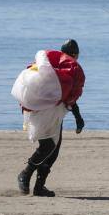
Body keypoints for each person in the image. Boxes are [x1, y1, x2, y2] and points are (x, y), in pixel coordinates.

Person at [16, 39, 86, 197]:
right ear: (75, 54)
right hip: (50, 114)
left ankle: (39, 187)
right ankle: (25, 174)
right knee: (49, 147)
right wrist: (78, 117)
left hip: (39, 111)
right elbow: (70, 97)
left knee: (51, 149)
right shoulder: (71, 69)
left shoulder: (49, 67)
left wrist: (77, 117)